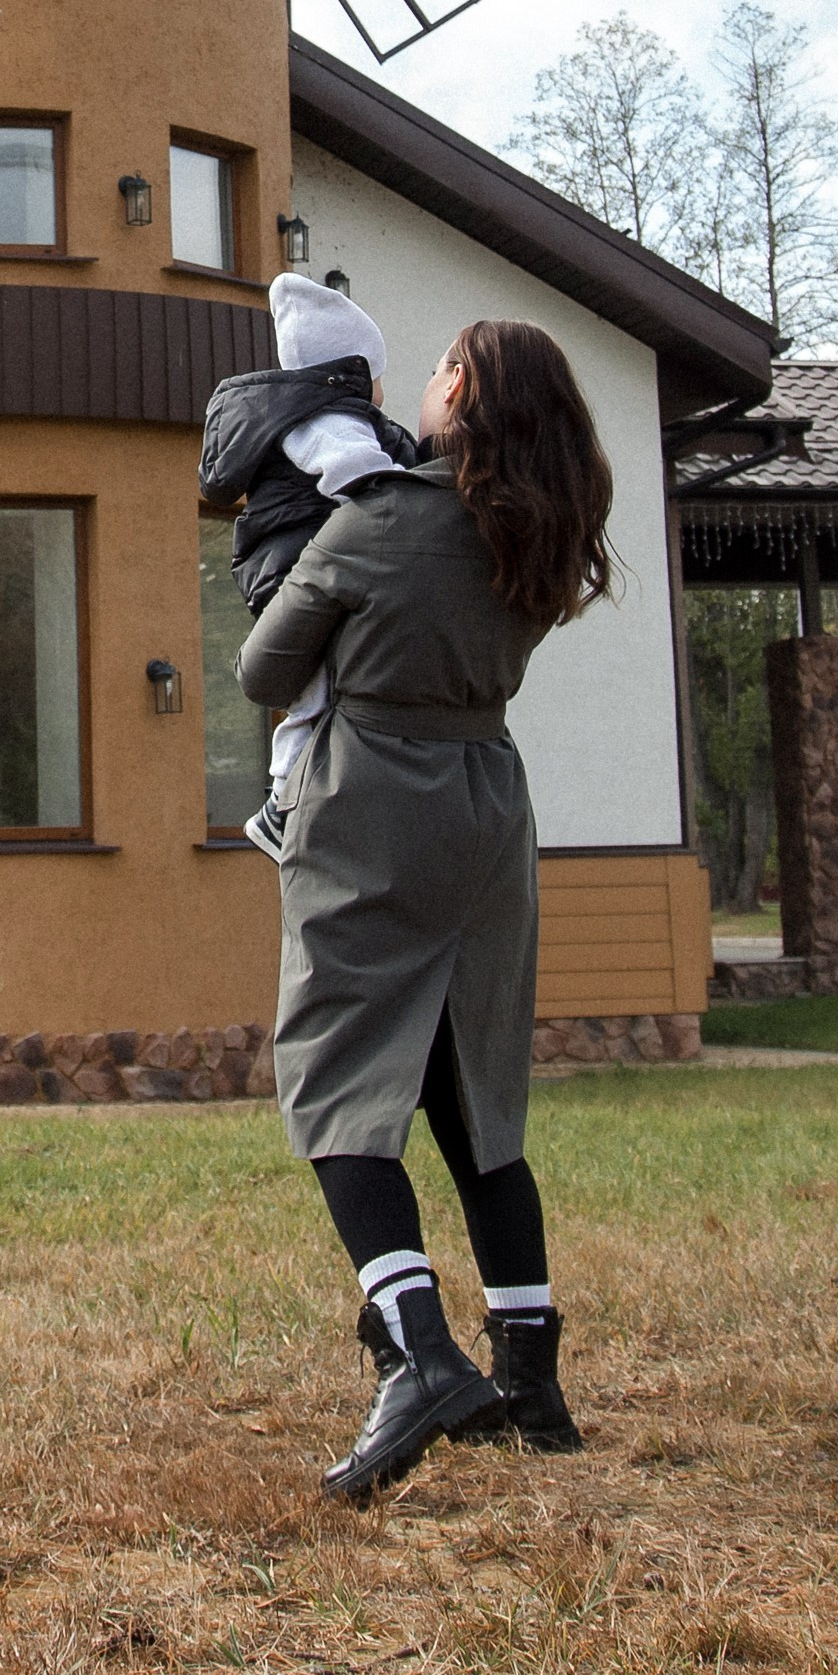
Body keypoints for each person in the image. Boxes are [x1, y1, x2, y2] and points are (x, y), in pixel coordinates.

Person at [235, 317, 616, 1502]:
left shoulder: (383, 518)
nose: (431, 378)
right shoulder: (542, 532)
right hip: (487, 804)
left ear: (470, 395)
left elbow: (261, 668)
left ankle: (418, 1356)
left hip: (371, 805)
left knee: (336, 1083)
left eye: (449, 366)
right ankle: (531, 1384)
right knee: (473, 1097)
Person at [199, 275, 417, 861]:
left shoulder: (320, 415)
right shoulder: (325, 423)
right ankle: (280, 805)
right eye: (378, 373)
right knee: (314, 693)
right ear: (349, 372)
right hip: (290, 567)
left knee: (317, 691)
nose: (384, 388)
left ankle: (286, 801)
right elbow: (355, 473)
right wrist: (412, 500)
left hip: (288, 562)